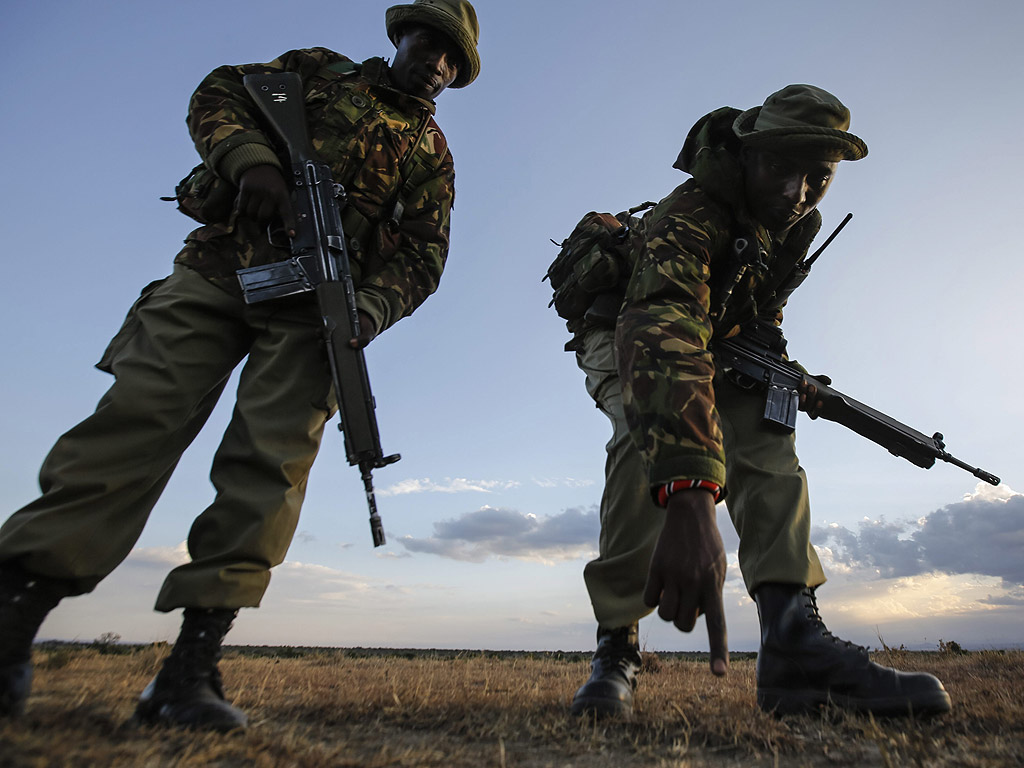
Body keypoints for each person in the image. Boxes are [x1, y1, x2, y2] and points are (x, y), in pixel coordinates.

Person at [0, 0, 480, 731]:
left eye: (454, 59)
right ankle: (13, 621)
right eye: (432, 43)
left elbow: (425, 255)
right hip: (219, 272)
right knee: (133, 425)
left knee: (269, 471)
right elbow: (218, 92)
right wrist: (253, 163)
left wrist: (369, 310)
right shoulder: (316, 74)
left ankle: (190, 669)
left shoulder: (432, 153)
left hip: (315, 320)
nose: (439, 65)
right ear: (401, 35)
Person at [567, 85, 952, 718]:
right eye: (780, 168)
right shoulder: (689, 213)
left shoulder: (797, 225)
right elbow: (662, 328)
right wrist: (692, 492)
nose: (794, 192)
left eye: (817, 178)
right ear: (748, 155)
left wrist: (781, 367)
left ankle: (793, 641)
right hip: (626, 328)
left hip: (717, 336)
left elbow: (759, 310)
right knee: (648, 440)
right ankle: (617, 645)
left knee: (768, 433)